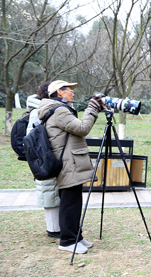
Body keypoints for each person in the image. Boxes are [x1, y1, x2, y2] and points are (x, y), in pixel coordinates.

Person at [38, 80, 103, 254]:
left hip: (69, 161)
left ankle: (76, 237)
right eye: (69, 90)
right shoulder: (59, 110)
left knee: (74, 201)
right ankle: (67, 241)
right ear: (59, 92)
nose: (73, 93)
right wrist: (92, 109)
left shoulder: (56, 109)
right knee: (69, 203)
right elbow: (82, 128)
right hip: (68, 163)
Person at [26, 81, 61, 238]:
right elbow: (35, 137)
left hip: (46, 156)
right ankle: (53, 229)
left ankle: (56, 227)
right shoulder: (39, 111)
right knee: (49, 191)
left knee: (51, 191)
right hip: (43, 156)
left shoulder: (40, 109)